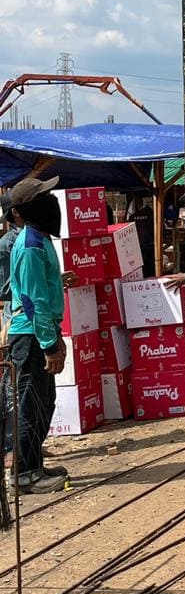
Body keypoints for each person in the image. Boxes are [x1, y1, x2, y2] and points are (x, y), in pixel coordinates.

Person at [2, 177, 70, 495]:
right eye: (44, 197)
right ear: (23, 211)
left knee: (45, 401)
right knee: (31, 404)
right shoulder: (29, 245)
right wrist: (50, 345)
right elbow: (33, 301)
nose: (52, 202)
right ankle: (25, 474)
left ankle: (33, 465)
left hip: (39, 332)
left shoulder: (40, 240)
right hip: (30, 336)